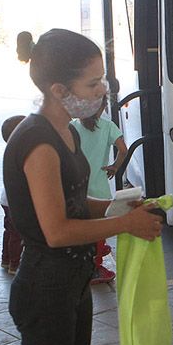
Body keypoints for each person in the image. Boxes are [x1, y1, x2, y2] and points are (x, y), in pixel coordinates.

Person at [5, 28, 162, 345]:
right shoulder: (37, 143)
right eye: (93, 84)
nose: (102, 91)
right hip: (45, 286)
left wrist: (122, 205)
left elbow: (76, 204)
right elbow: (55, 230)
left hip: (72, 282)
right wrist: (124, 225)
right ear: (58, 89)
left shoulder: (67, 132)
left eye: (102, 81)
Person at [70, 104, 127, 284]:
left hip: (77, 185)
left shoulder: (72, 125)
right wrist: (115, 166)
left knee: (81, 226)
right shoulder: (108, 126)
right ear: (102, 107)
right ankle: (95, 267)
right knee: (99, 229)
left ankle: (87, 257)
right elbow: (123, 150)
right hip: (99, 187)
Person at [1, 115, 26, 275]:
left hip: (6, 199)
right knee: (17, 234)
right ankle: (15, 264)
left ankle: (6, 259)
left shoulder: (10, 151)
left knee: (9, 231)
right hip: (17, 202)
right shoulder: (23, 155)